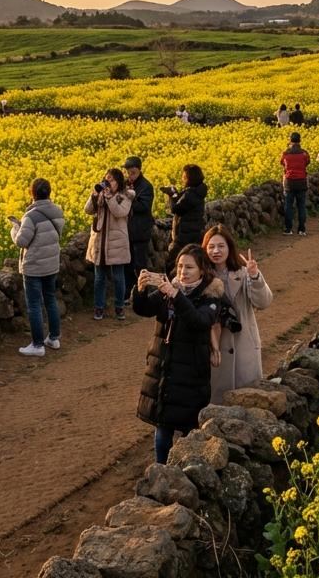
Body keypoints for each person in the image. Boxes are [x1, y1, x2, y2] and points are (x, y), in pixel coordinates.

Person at [134, 245, 224, 463]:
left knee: (189, 430)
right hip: (165, 370)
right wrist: (140, 291)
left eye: (189, 267)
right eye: (180, 266)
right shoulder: (170, 289)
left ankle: (186, 471)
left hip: (191, 374)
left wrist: (176, 296)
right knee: (162, 429)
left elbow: (199, 321)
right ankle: (161, 471)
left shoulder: (210, 295)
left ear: (202, 270)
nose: (183, 271)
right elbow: (144, 309)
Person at [202, 225, 273, 403]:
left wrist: (255, 276)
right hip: (215, 350)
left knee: (248, 402)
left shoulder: (244, 273)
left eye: (221, 246)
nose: (216, 251)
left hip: (244, 347)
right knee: (216, 406)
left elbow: (264, 302)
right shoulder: (201, 277)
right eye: (211, 247)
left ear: (229, 248)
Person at [12, 177, 65, 356]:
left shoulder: (31, 216)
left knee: (34, 305)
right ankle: (54, 338)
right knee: (50, 299)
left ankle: (37, 345)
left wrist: (15, 229)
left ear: (32, 194)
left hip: (34, 267)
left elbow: (21, 241)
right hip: (51, 263)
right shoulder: (58, 211)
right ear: (49, 192)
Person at [84, 167, 134, 320]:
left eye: (111, 180)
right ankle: (99, 308)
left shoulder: (125, 196)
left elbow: (120, 212)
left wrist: (110, 197)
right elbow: (87, 210)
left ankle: (119, 307)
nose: (108, 182)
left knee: (118, 277)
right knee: (99, 278)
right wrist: (94, 195)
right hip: (100, 241)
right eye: (106, 179)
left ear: (118, 182)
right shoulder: (101, 194)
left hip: (116, 242)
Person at [163, 164, 208, 271]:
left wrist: (172, 194)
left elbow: (176, 209)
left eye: (184, 177)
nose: (182, 179)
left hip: (186, 234)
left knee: (174, 261)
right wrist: (175, 194)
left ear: (190, 178)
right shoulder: (197, 191)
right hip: (194, 232)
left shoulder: (191, 194)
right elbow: (182, 202)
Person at [123, 155, 155, 301]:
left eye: (133, 173)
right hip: (127, 232)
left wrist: (127, 198)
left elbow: (143, 206)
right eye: (128, 172)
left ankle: (143, 294)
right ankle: (128, 294)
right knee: (127, 265)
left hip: (140, 233)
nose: (130, 176)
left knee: (140, 265)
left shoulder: (146, 186)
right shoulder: (126, 184)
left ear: (139, 170)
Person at [280, 131, 311, 235]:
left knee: (288, 206)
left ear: (290, 140)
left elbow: (282, 163)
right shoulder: (304, 153)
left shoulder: (285, 153)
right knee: (301, 206)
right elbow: (307, 162)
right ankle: (302, 229)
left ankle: (288, 229)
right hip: (301, 182)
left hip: (289, 182)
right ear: (299, 140)